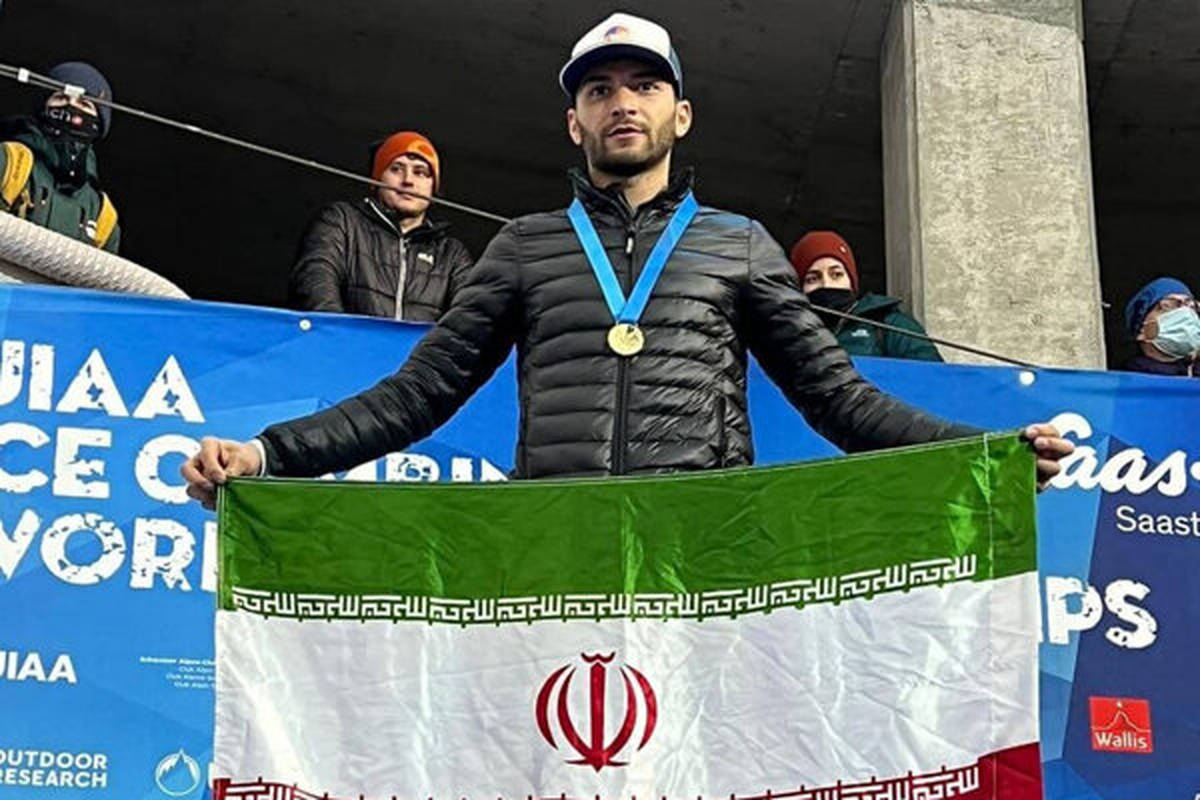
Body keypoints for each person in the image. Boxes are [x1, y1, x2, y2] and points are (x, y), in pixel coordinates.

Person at [183, 11, 1071, 506]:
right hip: (556, 539)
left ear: (680, 114)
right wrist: (269, 456)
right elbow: (417, 396)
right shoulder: (525, 246)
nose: (622, 103)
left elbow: (840, 401)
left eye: (644, 85)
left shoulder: (738, 244)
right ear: (574, 122)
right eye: (600, 90)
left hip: (703, 541)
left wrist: (983, 452)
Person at [288, 130, 474, 321]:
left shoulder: (451, 254)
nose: (408, 180)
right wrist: (343, 337)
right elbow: (315, 285)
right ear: (376, 180)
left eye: (420, 172)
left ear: (433, 188)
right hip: (348, 341)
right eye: (396, 169)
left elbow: (471, 317)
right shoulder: (342, 221)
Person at [0, 62, 120, 252]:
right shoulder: (10, 164)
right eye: (61, 97)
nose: (71, 107)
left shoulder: (102, 215)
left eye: (84, 103)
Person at [790, 231, 941, 362]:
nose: (826, 284)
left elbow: (933, 378)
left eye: (836, 274)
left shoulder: (890, 325)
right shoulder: (786, 333)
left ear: (851, 281)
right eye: (813, 279)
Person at [1122, 277, 1200, 377]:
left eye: (1192, 306)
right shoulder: (1128, 379)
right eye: (1168, 305)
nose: (1185, 313)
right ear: (1141, 330)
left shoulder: (1193, 373)